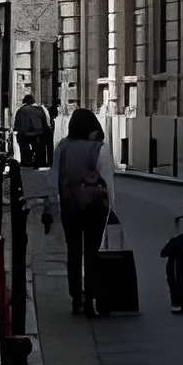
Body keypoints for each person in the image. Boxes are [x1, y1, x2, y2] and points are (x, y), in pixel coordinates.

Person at [53, 106, 115, 318]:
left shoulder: (62, 147)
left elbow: (54, 178)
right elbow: (107, 181)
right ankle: (90, 297)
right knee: (92, 252)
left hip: (69, 205)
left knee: (73, 251)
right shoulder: (100, 148)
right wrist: (110, 209)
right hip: (95, 207)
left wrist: (52, 206)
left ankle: (75, 298)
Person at [13, 92, 52, 168]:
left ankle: (26, 161)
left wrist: (16, 131)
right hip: (38, 133)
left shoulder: (21, 110)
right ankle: (40, 162)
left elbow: (17, 124)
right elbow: (44, 123)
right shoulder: (40, 109)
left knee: (23, 146)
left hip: (24, 134)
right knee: (39, 148)